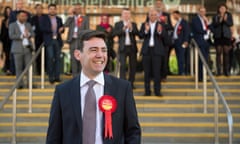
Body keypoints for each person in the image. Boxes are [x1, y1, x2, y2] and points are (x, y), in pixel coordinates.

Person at [46, 30, 141, 143]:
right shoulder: (63, 91)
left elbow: (133, 132)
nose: (100, 55)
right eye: (93, 50)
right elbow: (54, 136)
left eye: (104, 50)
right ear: (78, 54)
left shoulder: (122, 88)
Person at [139, 8, 169, 96]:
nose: (153, 16)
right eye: (151, 15)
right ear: (148, 16)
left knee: (157, 73)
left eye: (155, 15)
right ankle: (147, 91)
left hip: (157, 51)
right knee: (147, 73)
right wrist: (146, 31)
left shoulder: (162, 25)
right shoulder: (144, 24)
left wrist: (160, 31)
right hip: (146, 51)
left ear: (157, 16)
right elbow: (140, 35)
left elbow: (166, 38)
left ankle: (157, 91)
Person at [112, 8, 139, 89]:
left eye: (128, 14)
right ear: (122, 15)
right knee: (123, 66)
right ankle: (123, 84)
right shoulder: (118, 24)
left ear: (130, 15)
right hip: (123, 48)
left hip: (132, 48)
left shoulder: (133, 24)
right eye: (125, 13)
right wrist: (123, 29)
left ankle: (131, 83)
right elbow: (114, 34)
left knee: (133, 66)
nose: (126, 15)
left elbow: (138, 33)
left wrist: (131, 29)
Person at [9, 10, 34, 89]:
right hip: (17, 49)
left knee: (29, 68)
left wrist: (29, 34)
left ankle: (30, 84)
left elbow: (33, 34)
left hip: (27, 48)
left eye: (25, 16)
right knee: (18, 68)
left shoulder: (28, 25)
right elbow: (11, 36)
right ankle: (19, 84)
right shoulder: (12, 25)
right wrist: (22, 36)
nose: (24, 18)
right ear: (18, 17)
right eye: (22, 16)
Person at [40, 4, 64, 84]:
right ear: (48, 10)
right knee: (50, 58)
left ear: (56, 10)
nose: (52, 10)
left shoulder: (59, 19)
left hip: (57, 40)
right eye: (51, 9)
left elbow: (62, 28)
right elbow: (42, 28)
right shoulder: (44, 18)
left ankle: (57, 77)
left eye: (54, 9)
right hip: (49, 40)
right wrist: (52, 29)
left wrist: (62, 29)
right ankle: (51, 77)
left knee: (58, 59)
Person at [64, 3, 89, 77]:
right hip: (73, 41)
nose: (77, 10)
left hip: (81, 41)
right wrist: (70, 15)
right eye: (76, 8)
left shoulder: (85, 18)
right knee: (73, 59)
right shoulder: (71, 18)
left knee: (81, 59)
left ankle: (82, 76)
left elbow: (87, 30)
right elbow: (65, 25)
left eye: (79, 8)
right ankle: (75, 77)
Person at [212, 4, 233, 76]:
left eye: (224, 8)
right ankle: (218, 70)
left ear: (226, 9)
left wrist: (225, 20)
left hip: (226, 36)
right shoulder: (216, 16)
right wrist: (220, 20)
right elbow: (214, 25)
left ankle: (226, 70)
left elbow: (231, 24)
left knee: (226, 52)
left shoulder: (229, 15)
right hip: (218, 36)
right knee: (218, 52)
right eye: (221, 8)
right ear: (219, 9)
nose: (222, 9)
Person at [154, 0, 174, 81]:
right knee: (154, 60)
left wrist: (165, 23)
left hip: (164, 42)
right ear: (155, 5)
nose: (158, 5)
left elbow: (170, 27)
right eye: (157, 4)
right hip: (154, 41)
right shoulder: (151, 14)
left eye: (160, 4)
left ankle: (163, 76)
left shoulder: (166, 15)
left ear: (162, 5)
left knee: (164, 59)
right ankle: (154, 75)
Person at [191, 7, 211, 81]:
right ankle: (200, 77)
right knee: (201, 60)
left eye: (204, 11)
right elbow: (198, 29)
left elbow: (211, 28)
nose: (203, 13)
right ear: (198, 12)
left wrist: (207, 22)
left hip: (206, 42)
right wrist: (206, 31)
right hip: (200, 42)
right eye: (201, 11)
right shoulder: (195, 19)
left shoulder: (206, 19)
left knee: (206, 60)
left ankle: (204, 76)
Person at [172, 10, 190, 75]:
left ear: (178, 14)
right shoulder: (177, 23)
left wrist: (186, 41)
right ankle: (180, 71)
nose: (173, 16)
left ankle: (183, 71)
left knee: (182, 57)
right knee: (178, 57)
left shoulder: (184, 22)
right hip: (176, 42)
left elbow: (187, 31)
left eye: (174, 15)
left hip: (182, 42)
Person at [30, 4, 45, 75]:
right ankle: (38, 71)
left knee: (46, 56)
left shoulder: (46, 17)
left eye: (40, 8)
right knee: (37, 56)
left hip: (45, 39)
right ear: (35, 9)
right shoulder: (33, 18)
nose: (39, 10)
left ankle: (45, 70)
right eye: (37, 8)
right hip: (36, 39)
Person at [0, 6, 12, 75]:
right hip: (6, 41)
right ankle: (7, 69)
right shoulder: (3, 21)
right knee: (7, 55)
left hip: (12, 40)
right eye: (7, 11)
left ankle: (11, 68)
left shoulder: (14, 20)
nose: (8, 13)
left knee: (12, 55)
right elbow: (2, 32)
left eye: (9, 11)